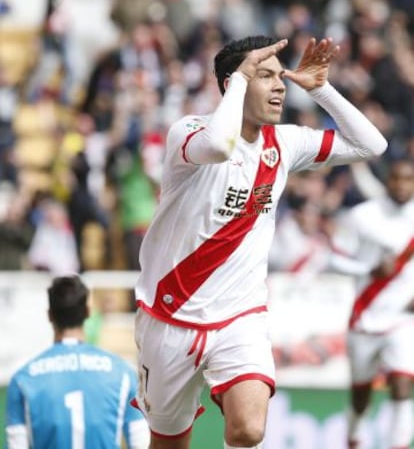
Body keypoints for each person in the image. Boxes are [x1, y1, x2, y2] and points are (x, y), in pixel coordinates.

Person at [132, 34, 388, 449]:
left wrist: (320, 88)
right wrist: (239, 78)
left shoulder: (285, 143)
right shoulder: (189, 133)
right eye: (265, 75)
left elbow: (371, 144)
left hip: (240, 316)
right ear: (236, 82)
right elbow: (218, 145)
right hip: (169, 318)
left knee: (248, 430)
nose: (280, 85)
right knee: (169, 442)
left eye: (279, 76)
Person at [6, 275, 150, 449]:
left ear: (50, 315)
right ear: (87, 312)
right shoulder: (123, 374)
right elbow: (141, 444)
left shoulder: (23, 380)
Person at [330, 158, 414, 449]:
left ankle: (399, 444)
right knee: (361, 394)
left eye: (408, 179)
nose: (402, 185)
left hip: (403, 318)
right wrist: (368, 270)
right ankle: (354, 436)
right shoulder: (363, 215)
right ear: (387, 181)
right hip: (365, 316)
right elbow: (335, 259)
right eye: (397, 178)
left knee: (403, 385)